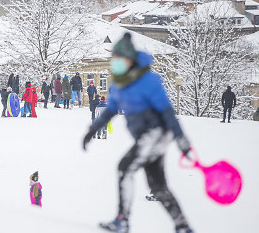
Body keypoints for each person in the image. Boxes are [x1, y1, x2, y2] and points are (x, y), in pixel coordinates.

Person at [82, 33, 193, 233]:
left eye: (119, 59)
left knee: (125, 168)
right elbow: (110, 110)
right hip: (146, 136)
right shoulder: (118, 82)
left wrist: (181, 139)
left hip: (157, 132)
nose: (115, 62)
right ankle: (183, 226)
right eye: (113, 58)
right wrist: (92, 130)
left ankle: (122, 221)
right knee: (158, 185)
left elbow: (167, 111)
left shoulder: (148, 80)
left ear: (131, 60)